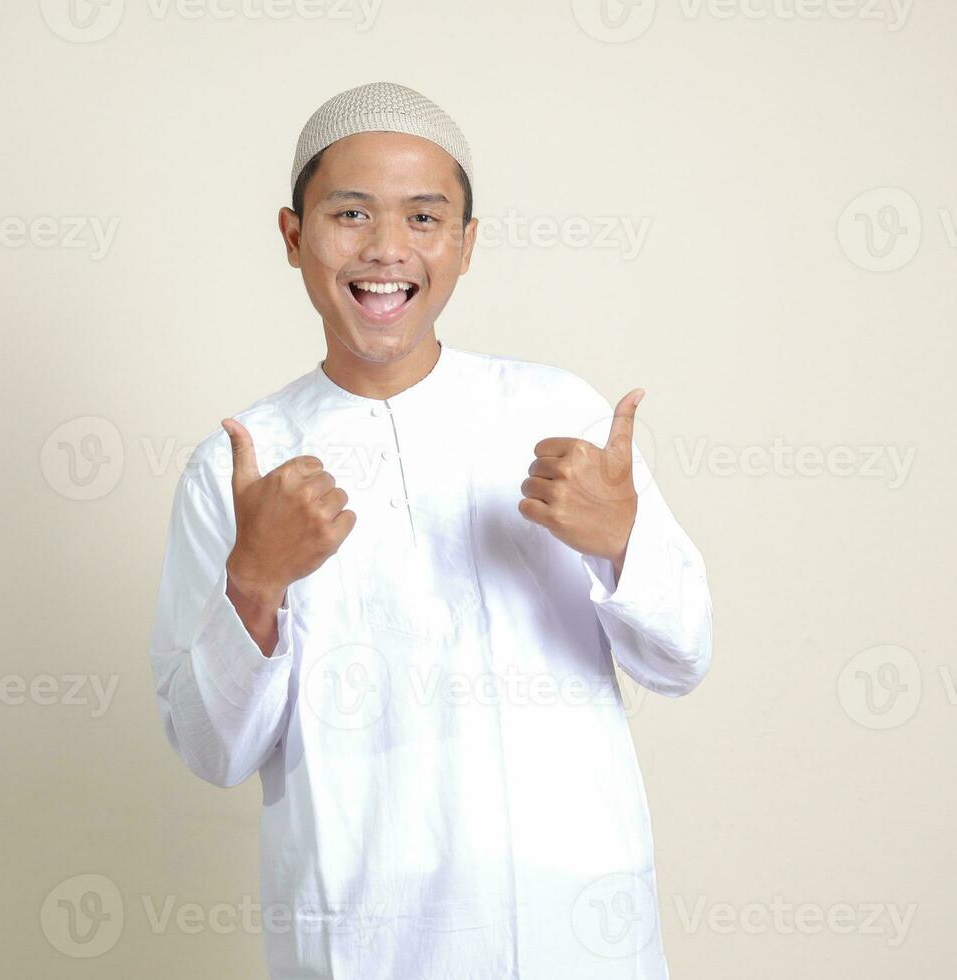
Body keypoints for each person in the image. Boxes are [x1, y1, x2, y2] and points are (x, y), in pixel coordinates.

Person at [148, 80, 712, 980]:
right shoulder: (238, 468)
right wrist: (253, 585)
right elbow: (216, 753)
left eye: (423, 218)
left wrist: (622, 541)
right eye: (350, 214)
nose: (386, 251)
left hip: (573, 935)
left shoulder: (556, 413)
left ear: (465, 244)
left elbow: (681, 659)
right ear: (294, 237)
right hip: (364, 940)